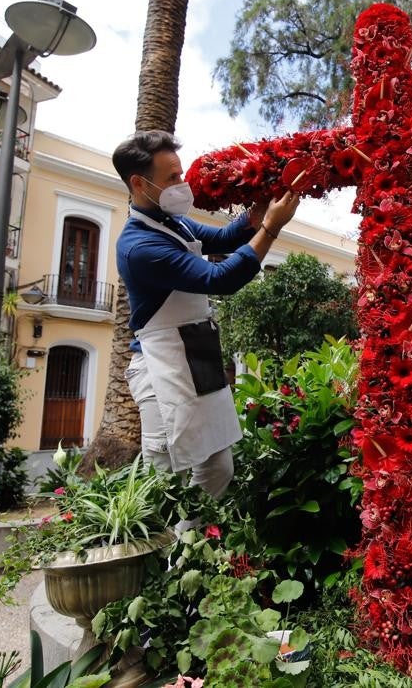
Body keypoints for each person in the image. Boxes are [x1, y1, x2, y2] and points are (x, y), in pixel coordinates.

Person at [112, 130, 300, 499]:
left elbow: (222, 239)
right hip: (161, 369)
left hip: (193, 356)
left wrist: (255, 216)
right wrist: (271, 228)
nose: (181, 184)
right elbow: (221, 277)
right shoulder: (139, 246)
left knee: (217, 468)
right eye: (172, 178)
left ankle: (188, 545)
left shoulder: (171, 223)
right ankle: (170, 551)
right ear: (139, 182)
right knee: (166, 483)